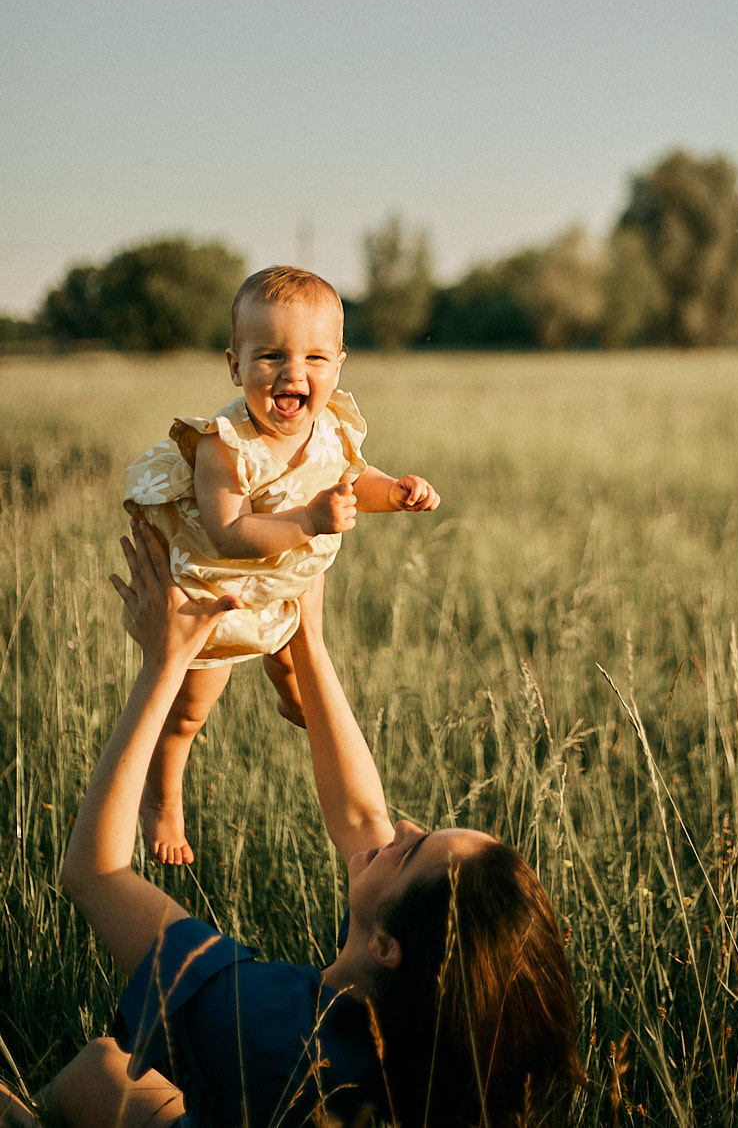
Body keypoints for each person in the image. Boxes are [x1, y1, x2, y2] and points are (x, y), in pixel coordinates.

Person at [0, 521, 582, 1128]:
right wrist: (308, 638)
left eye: (412, 851)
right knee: (102, 1067)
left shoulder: (260, 1022)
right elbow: (363, 818)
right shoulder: (421, 1045)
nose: (404, 827)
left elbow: (95, 874)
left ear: (388, 947)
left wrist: (164, 662)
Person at [123, 265, 440, 864]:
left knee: (299, 679)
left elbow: (352, 480)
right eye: (270, 356)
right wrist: (309, 521)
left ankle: (292, 700)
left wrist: (394, 492)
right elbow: (228, 532)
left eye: (315, 358)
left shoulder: (331, 427)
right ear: (235, 365)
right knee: (189, 710)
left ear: (338, 365)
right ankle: (161, 798)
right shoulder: (224, 445)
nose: (294, 373)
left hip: (283, 586)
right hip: (220, 596)